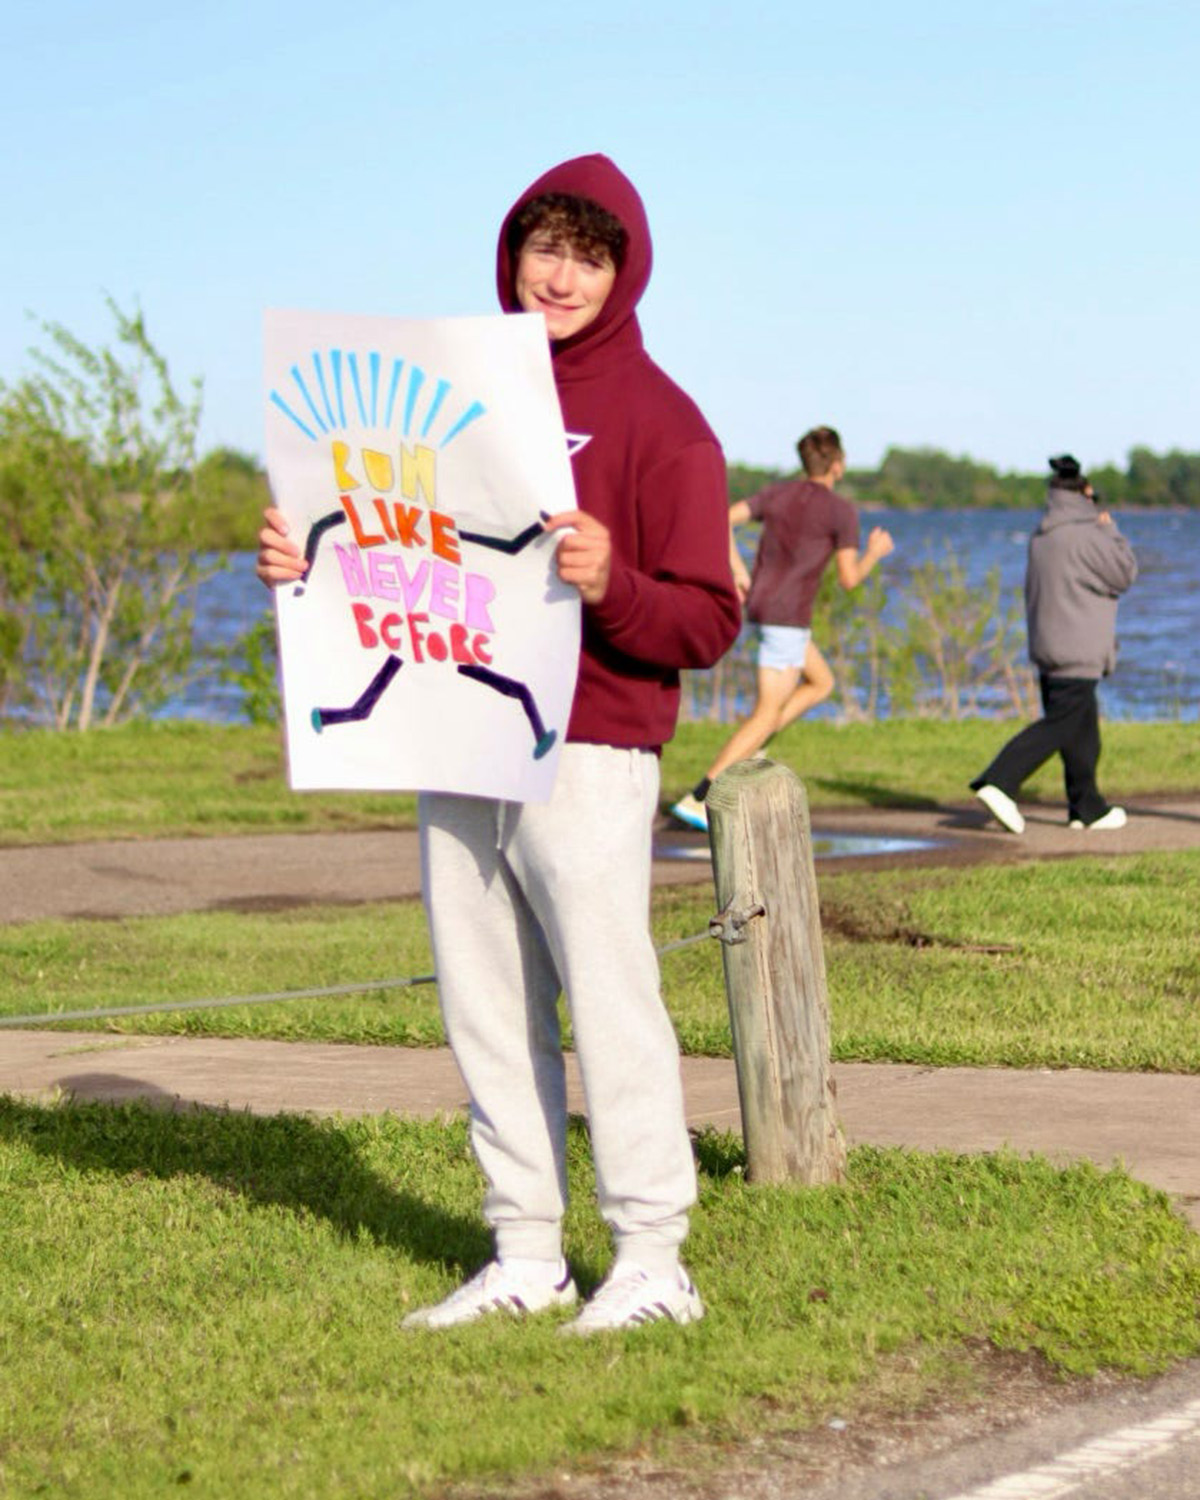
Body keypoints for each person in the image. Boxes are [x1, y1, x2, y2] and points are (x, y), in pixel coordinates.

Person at [256, 154, 740, 1333]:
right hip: (453, 736)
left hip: (590, 750)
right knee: (484, 1004)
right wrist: (305, 559)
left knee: (612, 1002)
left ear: (625, 273)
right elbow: (392, 540)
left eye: (590, 256)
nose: (561, 276)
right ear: (512, 253)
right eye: (545, 247)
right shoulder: (447, 399)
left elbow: (708, 621)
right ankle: (527, 1253)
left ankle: (653, 1259)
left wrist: (614, 583)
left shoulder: (666, 423)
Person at [671, 426, 893, 830]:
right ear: (838, 465)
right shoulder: (841, 512)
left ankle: (756, 744)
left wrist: (737, 571)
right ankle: (703, 796)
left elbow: (721, 520)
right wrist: (874, 553)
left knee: (821, 683)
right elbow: (849, 578)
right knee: (766, 711)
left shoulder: (777, 494)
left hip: (767, 609)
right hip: (787, 619)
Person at [971, 455, 1138, 834]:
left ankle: (1087, 806)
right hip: (1079, 647)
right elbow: (1125, 573)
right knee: (1062, 724)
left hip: (1048, 644)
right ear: (1084, 495)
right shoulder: (1088, 534)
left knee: (1083, 730)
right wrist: (1109, 529)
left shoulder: (1043, 534)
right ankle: (1000, 780)